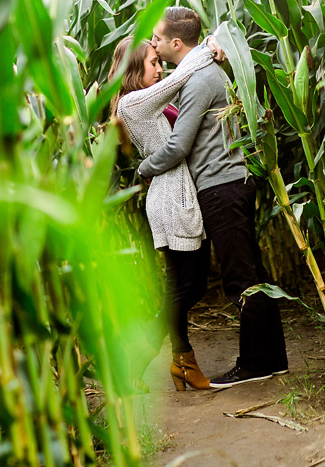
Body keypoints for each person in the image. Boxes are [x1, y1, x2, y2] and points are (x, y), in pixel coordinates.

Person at [138, 7, 288, 387]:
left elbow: (177, 147)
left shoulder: (198, 80)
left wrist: (142, 169)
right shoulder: (202, 70)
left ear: (175, 43)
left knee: (242, 280)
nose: (153, 44)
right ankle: (274, 359)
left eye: (157, 39)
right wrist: (213, 42)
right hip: (232, 182)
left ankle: (253, 364)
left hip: (221, 188)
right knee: (255, 273)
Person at [110, 36, 216, 391]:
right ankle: (179, 360)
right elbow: (179, 80)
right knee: (185, 286)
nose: (160, 68)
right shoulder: (131, 104)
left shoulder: (142, 102)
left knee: (186, 284)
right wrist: (209, 47)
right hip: (170, 197)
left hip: (174, 192)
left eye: (160, 61)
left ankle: (149, 360)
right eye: (153, 62)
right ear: (133, 68)